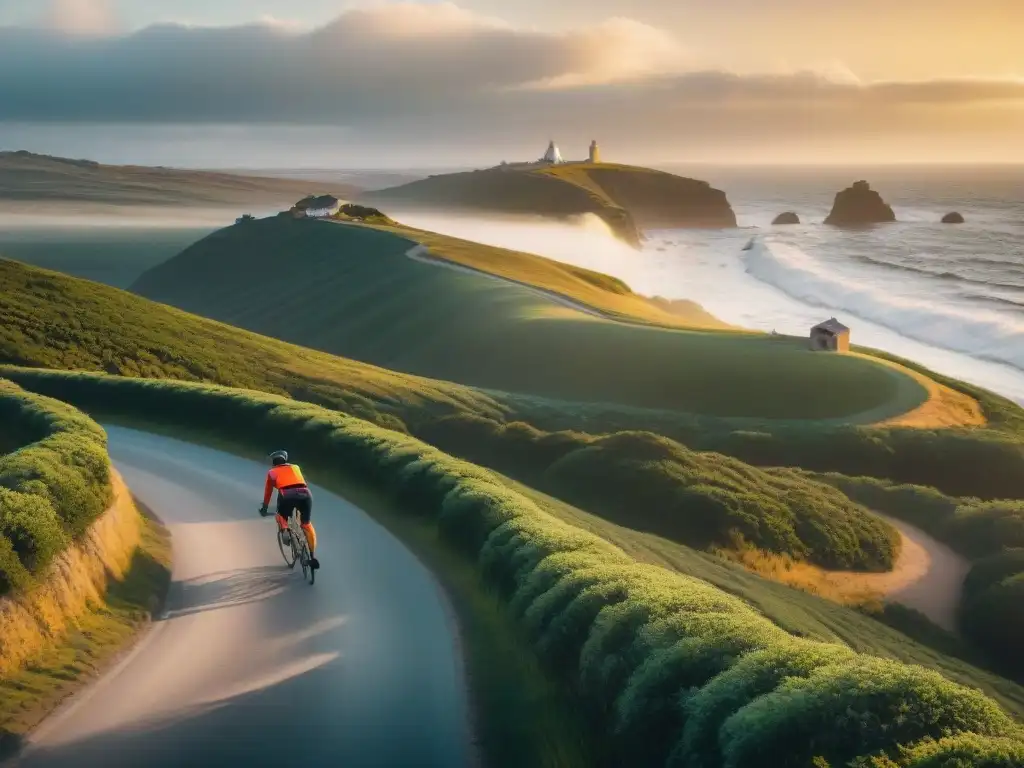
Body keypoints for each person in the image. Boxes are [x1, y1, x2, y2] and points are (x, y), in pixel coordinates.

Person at [259, 450, 319, 569]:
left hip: (287, 494)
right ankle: (312, 557)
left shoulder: (272, 472)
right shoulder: (295, 467)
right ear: (285, 460)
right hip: (305, 493)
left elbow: (268, 492)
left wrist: (264, 508)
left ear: (273, 463)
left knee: (280, 515)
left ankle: (285, 528)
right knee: (306, 524)